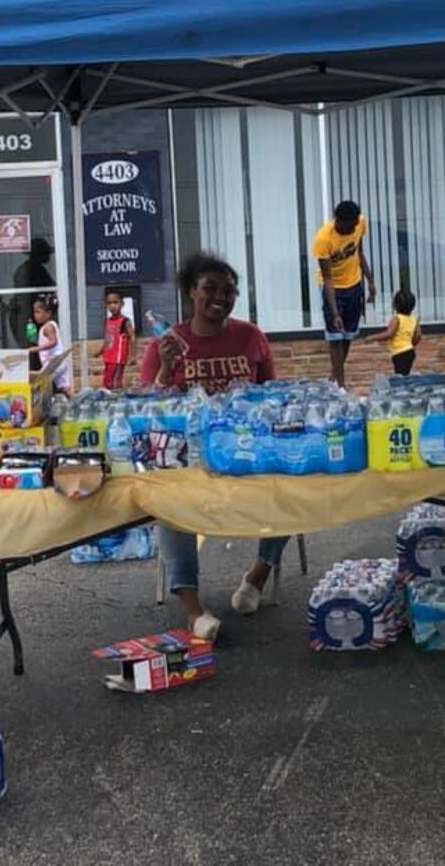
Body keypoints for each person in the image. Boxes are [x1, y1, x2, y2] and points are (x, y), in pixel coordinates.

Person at [141, 252, 287, 640]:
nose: (220, 297)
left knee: (293, 480)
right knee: (169, 498)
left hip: (249, 452)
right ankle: (192, 609)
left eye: (229, 291)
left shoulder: (251, 337)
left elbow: (273, 396)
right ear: (191, 291)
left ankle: (257, 577)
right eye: (210, 289)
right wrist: (166, 371)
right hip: (190, 460)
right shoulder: (166, 344)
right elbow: (146, 410)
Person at [312, 200, 376, 387]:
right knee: (335, 337)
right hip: (333, 288)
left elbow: (359, 252)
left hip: (354, 284)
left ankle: (335, 374)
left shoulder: (360, 222)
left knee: (348, 335)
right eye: (351, 225)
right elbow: (328, 279)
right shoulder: (324, 239)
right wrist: (335, 312)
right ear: (339, 221)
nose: (355, 228)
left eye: (357, 224)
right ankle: (341, 385)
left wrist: (370, 281)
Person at [9, 236, 57, 358]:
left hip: (29, 316)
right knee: (34, 350)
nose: (48, 257)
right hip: (29, 319)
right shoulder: (31, 271)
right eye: (45, 253)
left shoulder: (33, 269)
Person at [364, 288, 421, 375]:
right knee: (405, 373)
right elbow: (418, 336)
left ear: (395, 305)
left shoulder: (397, 319)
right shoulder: (414, 319)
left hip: (399, 353)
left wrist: (372, 337)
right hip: (410, 351)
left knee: (400, 376)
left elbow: (389, 334)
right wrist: (410, 345)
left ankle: (404, 387)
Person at [32, 294, 73, 395]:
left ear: (48, 313)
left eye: (38, 312)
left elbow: (53, 342)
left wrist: (35, 349)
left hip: (53, 362)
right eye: (34, 312)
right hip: (60, 362)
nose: (35, 315)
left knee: (41, 382)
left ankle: (46, 406)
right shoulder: (50, 325)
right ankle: (75, 403)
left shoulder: (48, 327)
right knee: (65, 388)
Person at [99, 289, 135, 390]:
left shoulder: (125, 321)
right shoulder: (107, 321)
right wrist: (100, 351)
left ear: (122, 303)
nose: (112, 306)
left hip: (118, 358)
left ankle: (119, 402)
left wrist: (133, 356)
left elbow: (132, 337)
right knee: (107, 382)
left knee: (115, 382)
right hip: (108, 357)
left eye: (115, 302)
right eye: (109, 303)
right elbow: (107, 339)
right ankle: (110, 403)